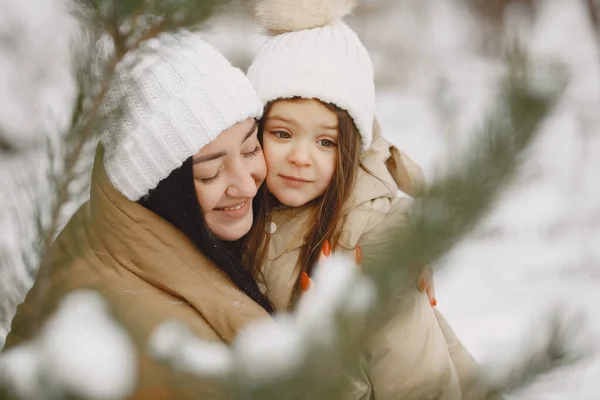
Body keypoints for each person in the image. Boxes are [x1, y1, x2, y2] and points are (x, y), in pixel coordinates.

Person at [4, 31, 273, 399]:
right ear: (158, 187)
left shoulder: (109, 220)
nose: (245, 185)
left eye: (251, 148)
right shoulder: (156, 346)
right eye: (210, 172)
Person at [246, 0, 483, 398]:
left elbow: (419, 382)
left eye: (325, 142)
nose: (300, 157)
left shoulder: (370, 245)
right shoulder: (245, 211)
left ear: (352, 150)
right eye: (282, 133)